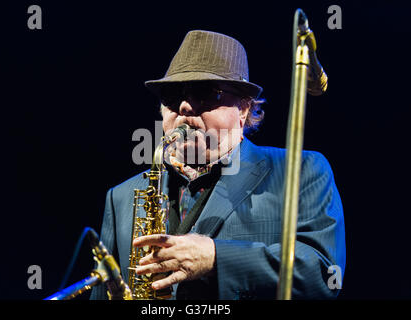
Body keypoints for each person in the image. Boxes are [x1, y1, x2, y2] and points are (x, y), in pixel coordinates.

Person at [89, 30, 346, 300]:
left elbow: (324, 274)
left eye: (204, 93)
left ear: (244, 108)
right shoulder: (120, 197)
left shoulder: (300, 169)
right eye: (173, 96)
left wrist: (216, 258)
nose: (185, 106)